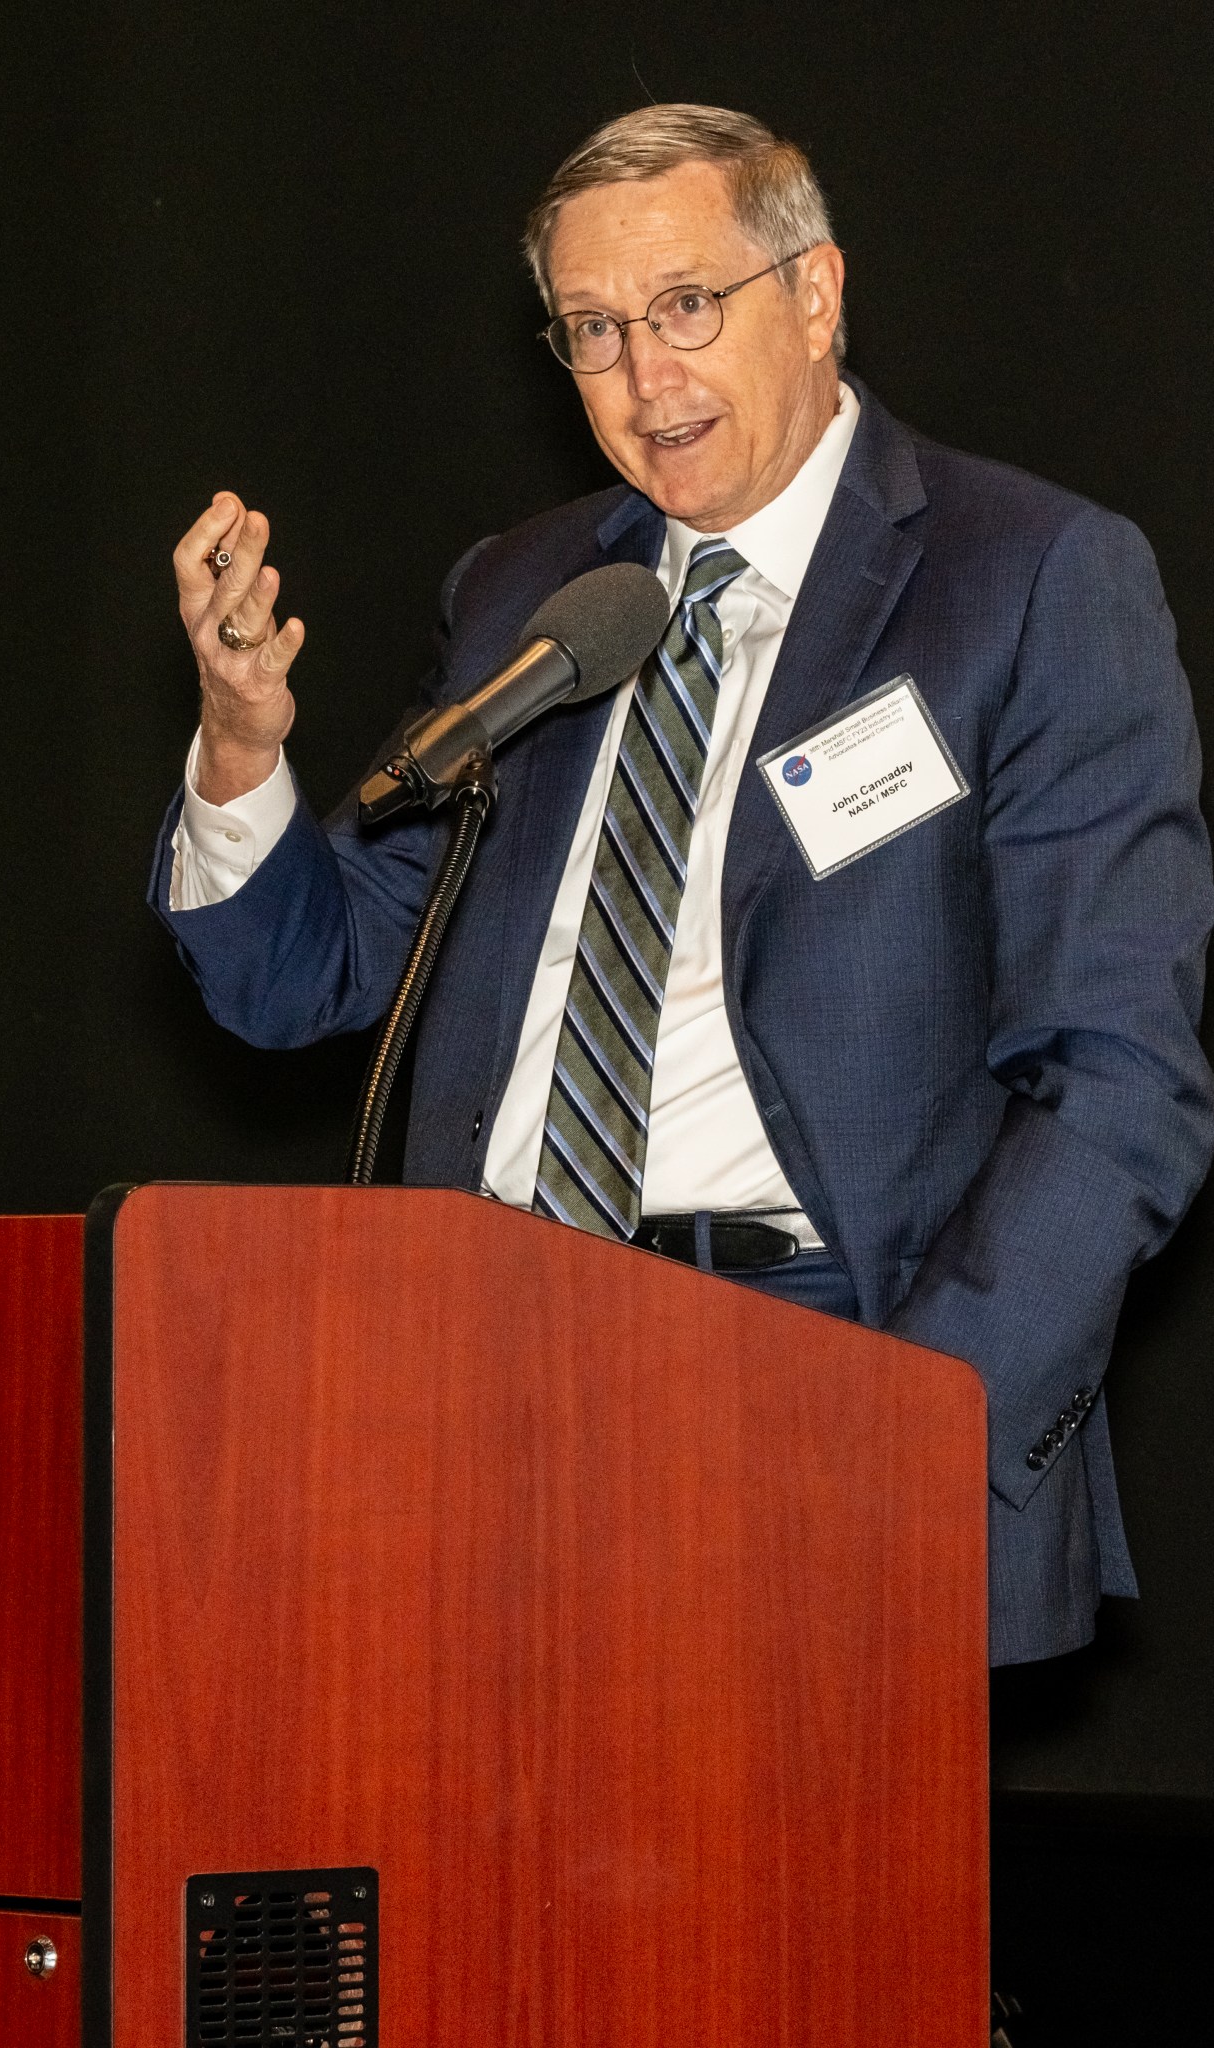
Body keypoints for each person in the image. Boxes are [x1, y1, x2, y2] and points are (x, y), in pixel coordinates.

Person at [149, 104, 1214, 1666]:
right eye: (593, 330)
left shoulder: (1029, 575)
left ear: (818, 292)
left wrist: (905, 1421)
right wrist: (243, 754)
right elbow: (301, 979)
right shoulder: (535, 594)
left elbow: (1122, 1082)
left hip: (816, 1368)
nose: (647, 377)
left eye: (686, 308)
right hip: (471, 1376)